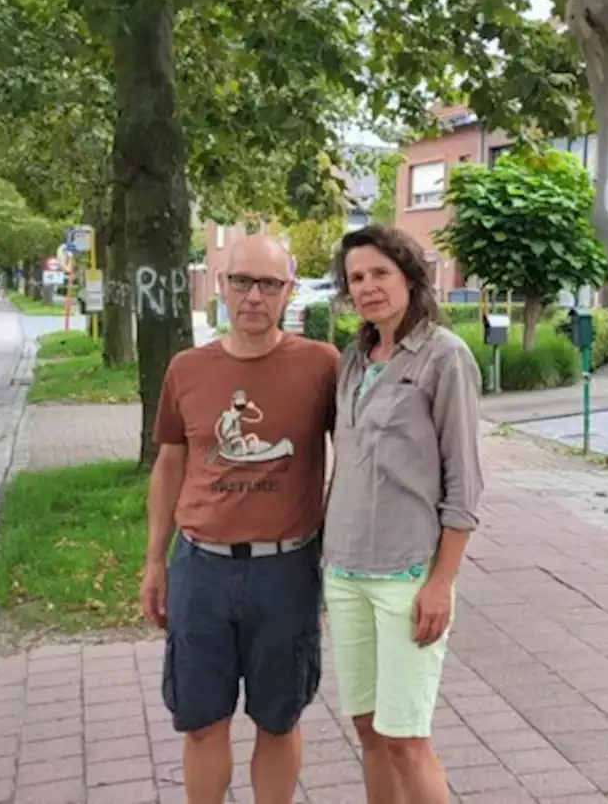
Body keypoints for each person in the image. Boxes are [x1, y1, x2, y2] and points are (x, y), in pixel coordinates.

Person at [141, 235, 339, 804]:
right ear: (221, 286)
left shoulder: (322, 365)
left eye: (270, 284)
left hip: (287, 570)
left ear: (289, 291)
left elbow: (360, 454)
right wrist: (156, 561)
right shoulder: (187, 369)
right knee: (201, 719)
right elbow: (171, 464)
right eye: (242, 282)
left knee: (280, 719)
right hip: (202, 567)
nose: (255, 296)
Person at [322, 224, 484, 804]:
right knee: (368, 729)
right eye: (356, 278)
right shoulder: (353, 360)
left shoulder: (445, 358)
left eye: (380, 273)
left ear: (411, 277)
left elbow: (465, 485)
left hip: (406, 577)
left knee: (405, 737)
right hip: (344, 572)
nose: (367, 287)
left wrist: (442, 583)